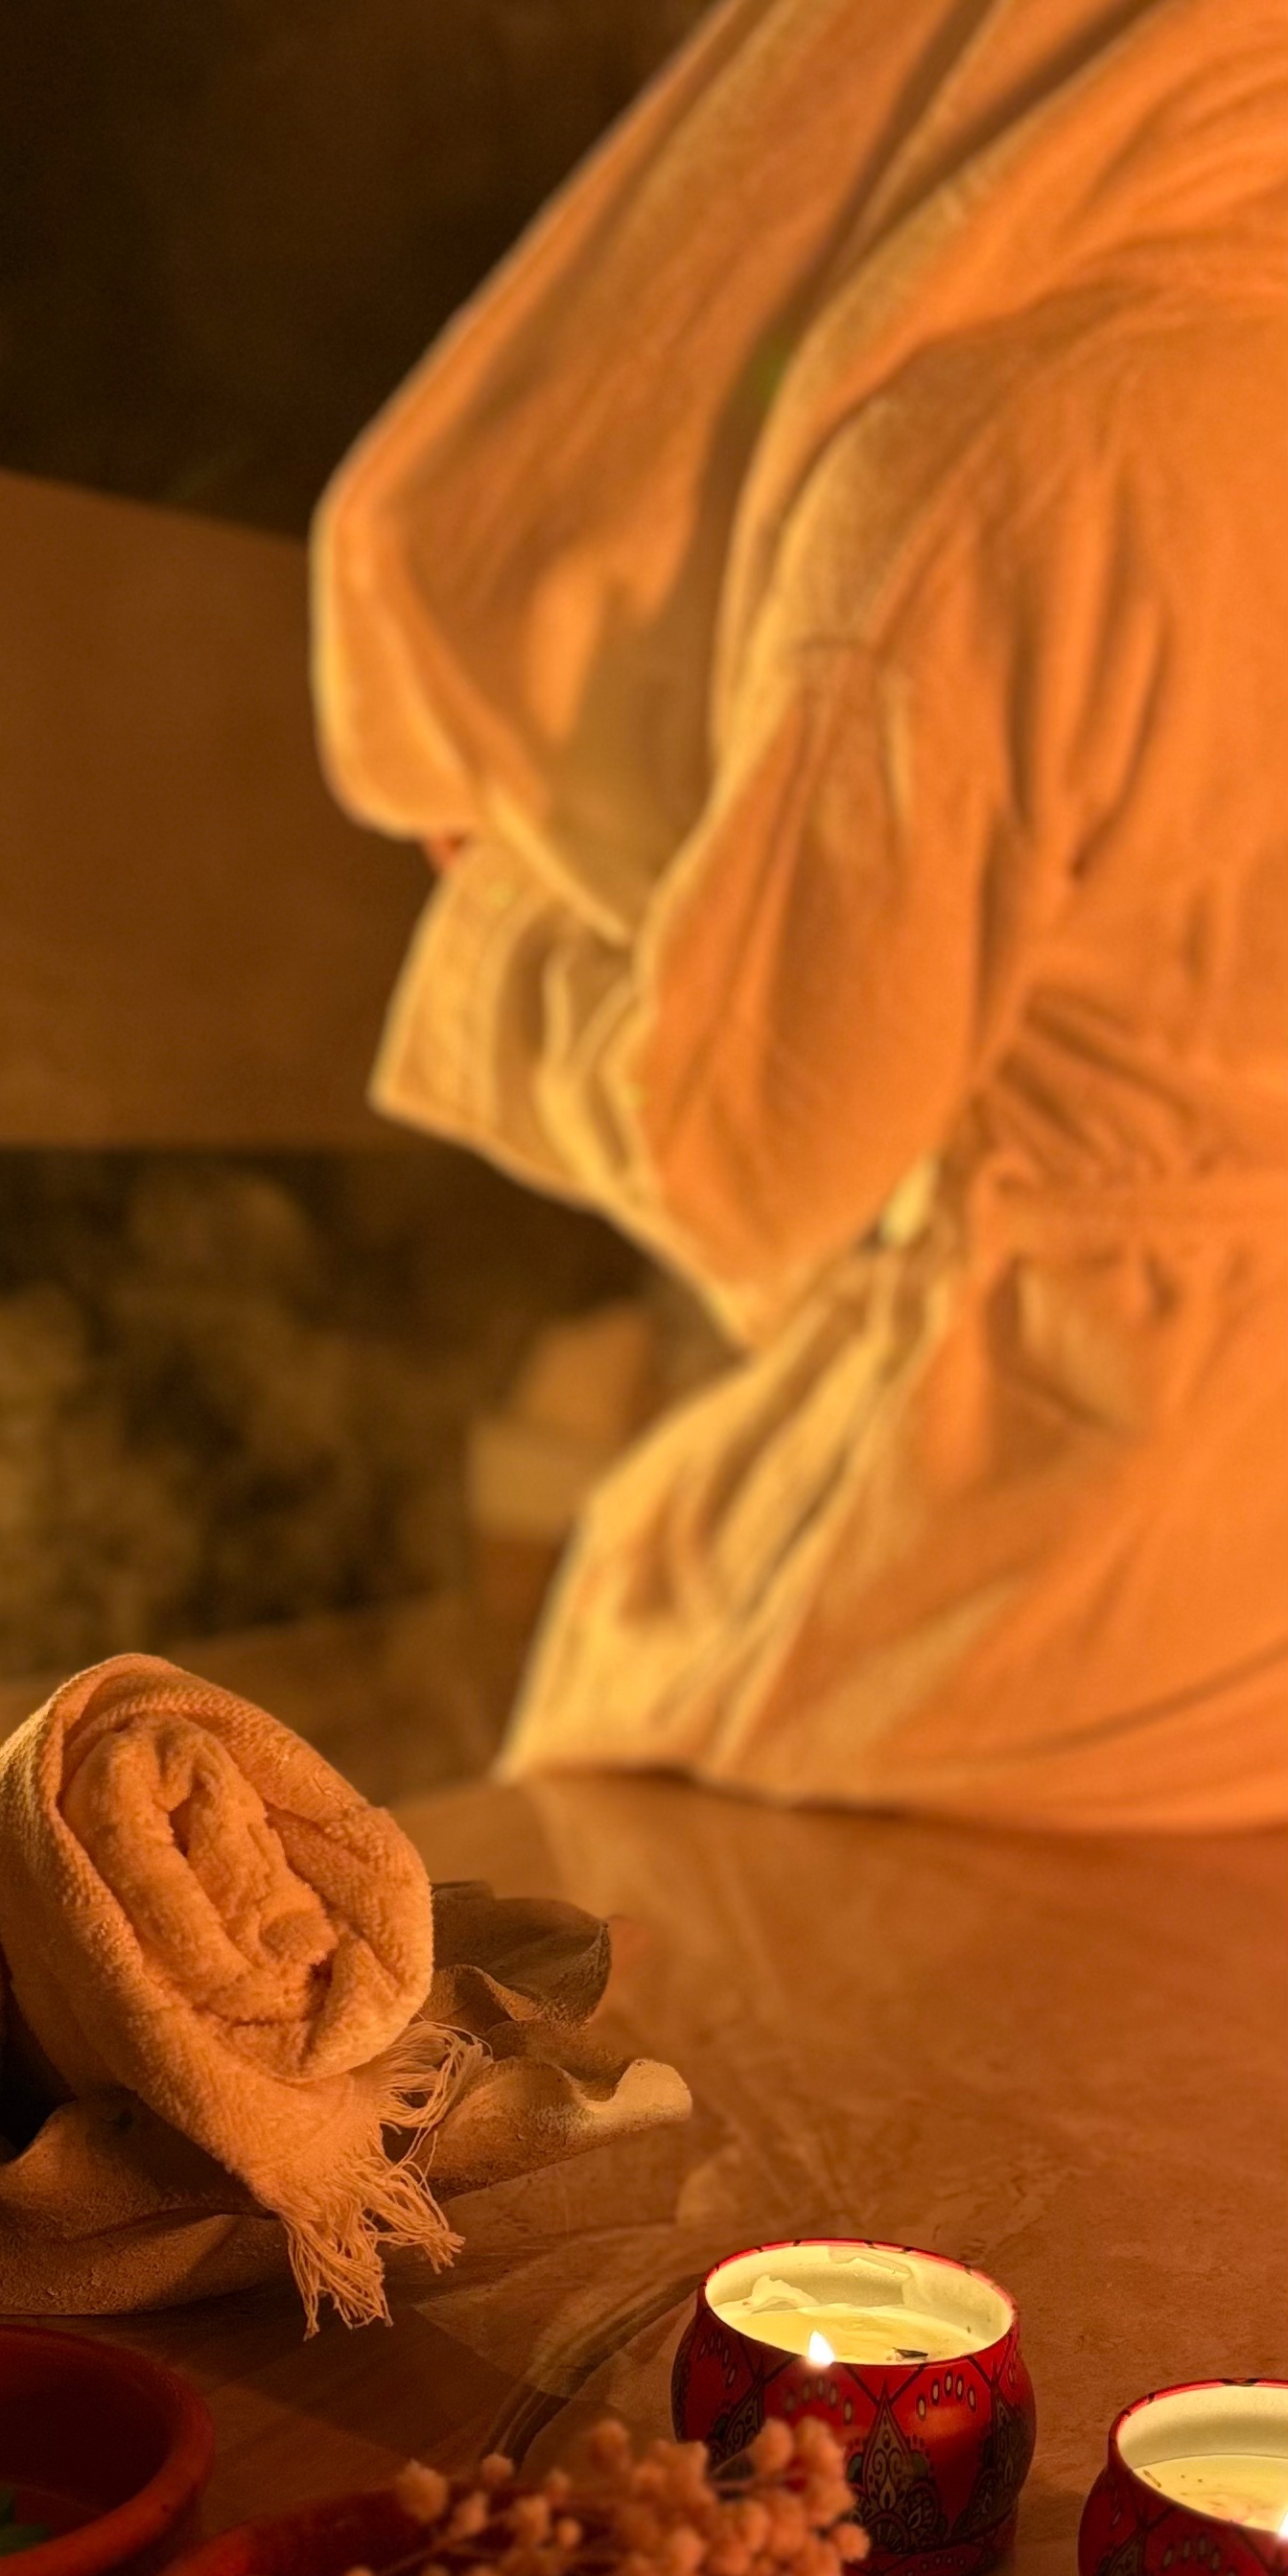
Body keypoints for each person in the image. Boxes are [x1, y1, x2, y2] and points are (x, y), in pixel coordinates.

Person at [312, 0, 1288, 1831]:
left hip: (1035, 1615)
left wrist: (500, 933)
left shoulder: (1006, 453)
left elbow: (752, 1138)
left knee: (619, 1781)